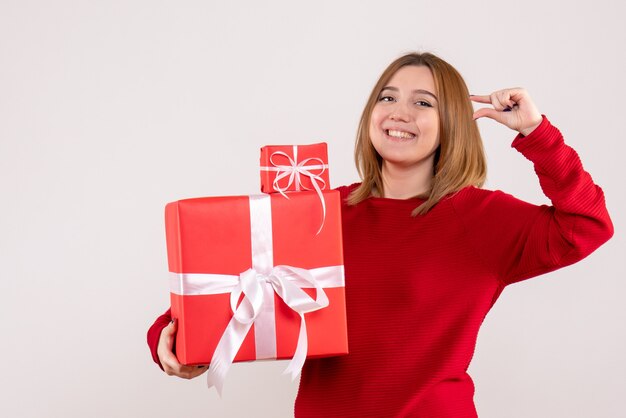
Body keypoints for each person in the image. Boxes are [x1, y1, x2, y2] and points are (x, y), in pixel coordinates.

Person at [147, 52, 613, 417]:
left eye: (423, 102)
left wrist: (536, 132)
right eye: (387, 98)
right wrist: (171, 346)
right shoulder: (317, 213)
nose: (399, 112)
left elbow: (587, 225)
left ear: (452, 120)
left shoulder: (481, 219)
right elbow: (212, 301)